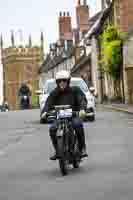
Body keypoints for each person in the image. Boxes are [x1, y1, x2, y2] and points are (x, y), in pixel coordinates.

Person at [42, 70, 88, 160]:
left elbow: (81, 99)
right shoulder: (54, 93)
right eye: (59, 81)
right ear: (57, 83)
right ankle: (58, 151)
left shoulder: (75, 90)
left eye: (64, 81)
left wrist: (82, 109)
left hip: (73, 116)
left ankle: (82, 148)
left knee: (77, 125)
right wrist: (45, 111)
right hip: (60, 117)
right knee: (52, 129)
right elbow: (48, 102)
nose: (62, 83)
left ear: (68, 81)